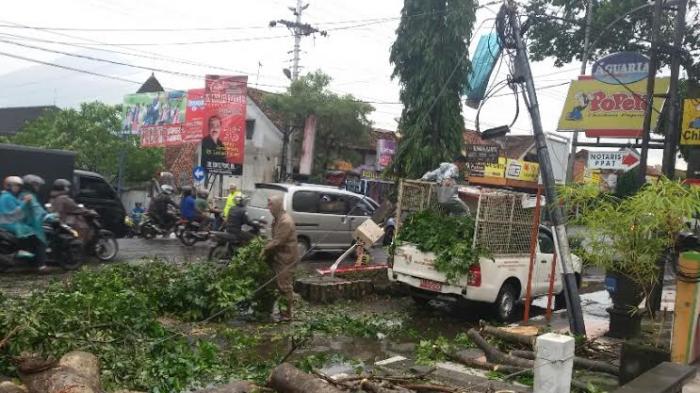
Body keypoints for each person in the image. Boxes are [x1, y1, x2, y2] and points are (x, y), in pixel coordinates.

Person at [263, 195, 299, 322]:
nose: (269, 208)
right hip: (279, 257)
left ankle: (286, 315)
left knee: (284, 286)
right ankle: (281, 311)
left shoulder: (285, 221)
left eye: (271, 205)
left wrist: (263, 250)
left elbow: (277, 241)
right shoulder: (276, 219)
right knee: (277, 285)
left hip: (286, 258)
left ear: (278, 205)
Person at [0, 176, 47, 270]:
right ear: (9, 186)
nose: (17, 188)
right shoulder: (6, 197)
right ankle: (25, 252)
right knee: (34, 234)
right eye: (15, 186)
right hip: (8, 223)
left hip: (9, 222)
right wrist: (25, 202)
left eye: (18, 186)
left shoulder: (10, 196)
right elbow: (14, 212)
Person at [50, 178, 93, 242]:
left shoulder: (53, 197)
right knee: (83, 227)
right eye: (66, 187)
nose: (68, 189)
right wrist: (89, 211)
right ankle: (79, 245)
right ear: (63, 188)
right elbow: (75, 208)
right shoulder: (64, 198)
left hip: (56, 222)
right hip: (62, 223)